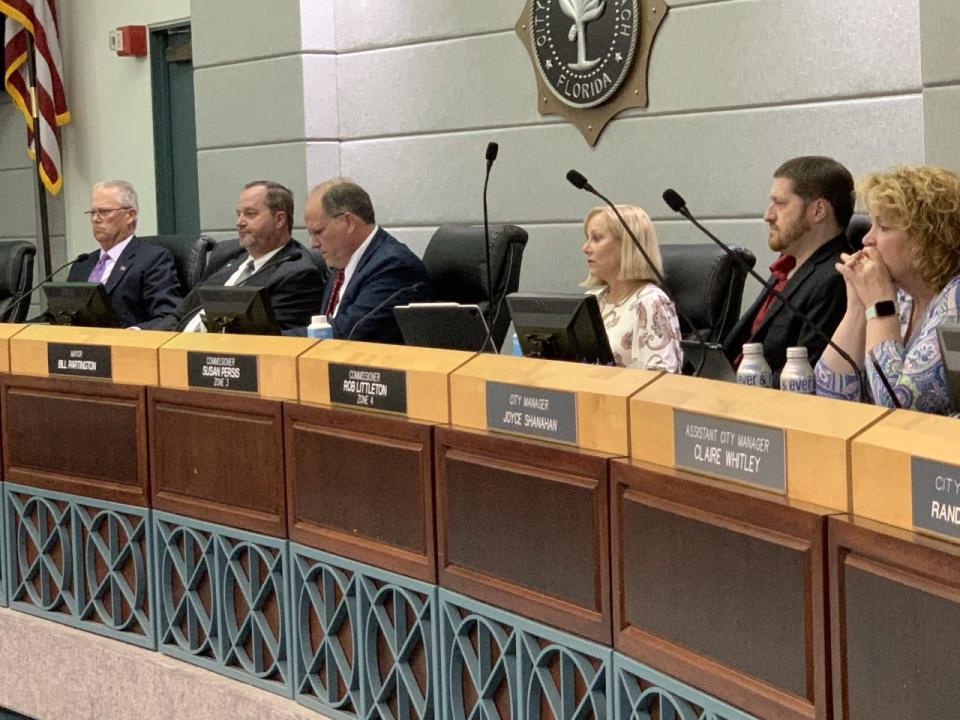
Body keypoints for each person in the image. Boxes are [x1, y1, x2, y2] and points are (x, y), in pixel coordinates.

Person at [816, 165, 960, 414]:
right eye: (871, 225)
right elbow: (831, 393)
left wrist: (879, 306)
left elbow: (896, 407)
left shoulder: (955, 300)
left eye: (883, 227)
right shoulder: (905, 297)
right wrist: (857, 307)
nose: (866, 239)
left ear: (928, 238)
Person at [723, 156, 854, 383]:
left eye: (780, 203)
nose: (768, 215)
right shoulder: (786, 267)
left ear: (818, 210)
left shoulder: (835, 278)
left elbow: (804, 377)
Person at [154, 180, 324, 332]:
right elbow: (179, 314)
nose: (239, 222)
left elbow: (271, 340)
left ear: (279, 220)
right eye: (239, 214)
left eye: (250, 214)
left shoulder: (298, 272)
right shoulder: (226, 254)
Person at [303, 179, 430, 342]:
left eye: (319, 231)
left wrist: (273, 339)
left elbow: (348, 333)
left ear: (348, 222)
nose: (314, 243)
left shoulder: (393, 266)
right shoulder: (343, 262)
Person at [580, 204, 681, 371]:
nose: (585, 248)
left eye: (596, 238)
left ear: (627, 245)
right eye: (587, 238)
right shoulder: (592, 300)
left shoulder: (651, 302)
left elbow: (661, 380)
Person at [68, 180, 180, 328]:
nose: (95, 219)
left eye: (104, 211)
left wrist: (130, 335)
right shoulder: (82, 263)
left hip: (126, 346)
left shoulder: (153, 260)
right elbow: (58, 313)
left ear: (130, 215)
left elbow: (167, 316)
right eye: (92, 212)